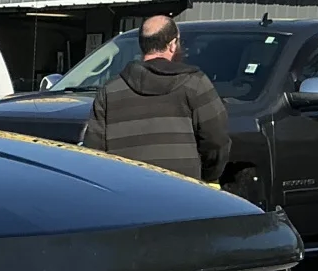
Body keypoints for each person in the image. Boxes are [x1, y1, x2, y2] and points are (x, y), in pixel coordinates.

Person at [82, 15, 229, 182]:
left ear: (141, 45)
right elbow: (216, 141)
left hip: (128, 192)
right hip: (185, 193)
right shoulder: (195, 84)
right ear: (173, 44)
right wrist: (208, 177)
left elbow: (94, 152)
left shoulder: (110, 91)